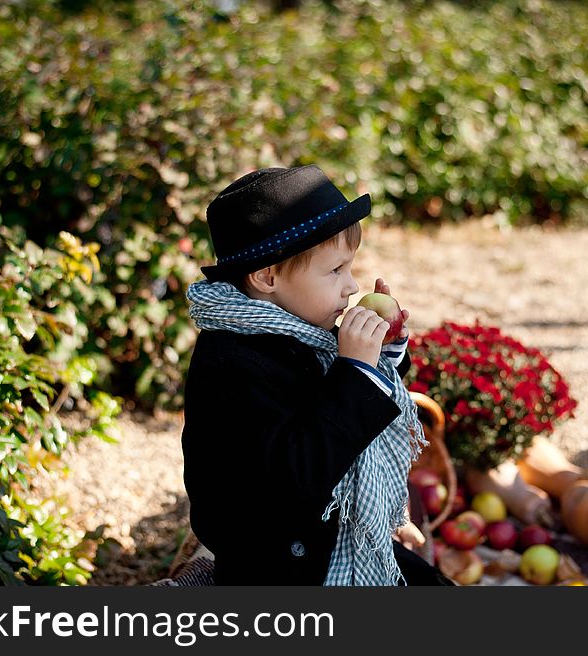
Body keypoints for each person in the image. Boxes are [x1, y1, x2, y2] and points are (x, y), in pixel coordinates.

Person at [181, 165, 453, 585]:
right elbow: (298, 476)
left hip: (330, 535)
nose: (351, 286)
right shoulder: (230, 364)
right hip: (280, 566)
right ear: (267, 276)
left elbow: (358, 402)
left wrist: (383, 351)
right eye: (335, 270)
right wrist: (358, 372)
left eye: (350, 267)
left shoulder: (302, 326)